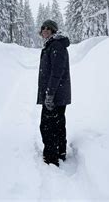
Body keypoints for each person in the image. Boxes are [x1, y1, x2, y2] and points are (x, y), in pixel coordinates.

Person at [37, 19, 71, 167]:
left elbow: (56, 73)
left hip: (55, 94)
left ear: (53, 31)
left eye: (48, 28)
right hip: (56, 93)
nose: (45, 30)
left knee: (47, 125)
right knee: (57, 124)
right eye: (43, 28)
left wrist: (49, 95)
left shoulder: (56, 45)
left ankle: (52, 157)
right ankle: (60, 153)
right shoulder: (51, 45)